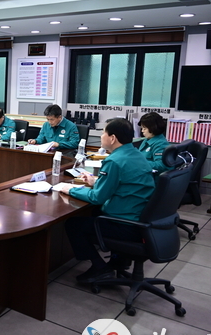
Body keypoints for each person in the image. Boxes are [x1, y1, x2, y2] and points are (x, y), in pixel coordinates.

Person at [60, 118, 155, 283]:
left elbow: (97, 197)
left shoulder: (114, 161)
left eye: (103, 132)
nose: (101, 136)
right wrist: (96, 181)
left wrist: (70, 189)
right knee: (94, 212)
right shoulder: (136, 154)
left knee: (73, 224)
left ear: (112, 138)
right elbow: (125, 183)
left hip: (125, 224)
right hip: (140, 219)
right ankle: (119, 259)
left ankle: (99, 268)